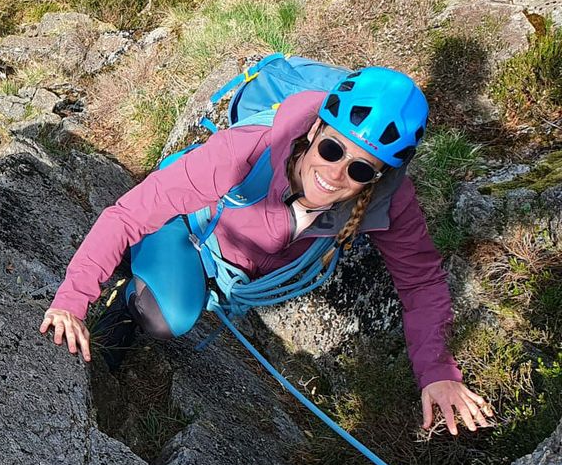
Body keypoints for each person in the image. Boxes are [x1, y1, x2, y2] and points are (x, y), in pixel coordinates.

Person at [39, 67, 495, 437]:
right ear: (316, 129)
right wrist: (72, 302)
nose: (335, 175)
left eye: (359, 168)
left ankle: (139, 274)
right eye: (332, 149)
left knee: (176, 307)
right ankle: (125, 292)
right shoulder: (249, 148)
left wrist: (438, 371)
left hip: (238, 266)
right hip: (189, 227)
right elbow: (128, 213)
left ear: (378, 177)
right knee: (167, 316)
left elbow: (421, 281)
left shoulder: (387, 198)